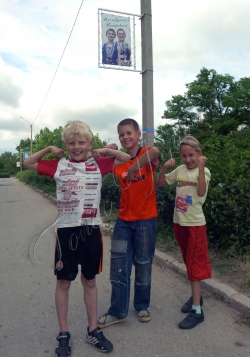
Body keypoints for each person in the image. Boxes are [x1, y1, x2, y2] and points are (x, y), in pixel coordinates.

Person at [24, 120, 131, 356]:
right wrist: (49, 149)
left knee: (90, 281)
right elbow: (28, 162)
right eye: (71, 142)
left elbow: (126, 159)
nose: (76, 146)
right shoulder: (58, 165)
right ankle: (63, 333)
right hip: (66, 232)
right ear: (66, 145)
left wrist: (105, 150)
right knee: (63, 282)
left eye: (81, 142)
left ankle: (93, 329)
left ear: (89, 144)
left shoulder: (99, 163)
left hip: (91, 231)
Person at [97, 118, 160, 328]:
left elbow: (154, 152)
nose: (125, 137)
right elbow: (95, 156)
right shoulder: (118, 160)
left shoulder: (146, 153)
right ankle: (118, 311)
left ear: (138, 134)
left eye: (129, 133)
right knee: (118, 267)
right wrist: (109, 150)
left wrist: (134, 168)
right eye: (121, 134)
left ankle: (142, 305)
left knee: (143, 264)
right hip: (123, 221)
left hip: (146, 221)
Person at [157, 136, 211, 329]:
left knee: (195, 267)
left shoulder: (203, 171)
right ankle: (197, 297)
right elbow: (160, 184)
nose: (187, 159)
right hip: (179, 223)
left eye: (191, 155)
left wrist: (202, 169)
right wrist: (165, 167)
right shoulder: (179, 170)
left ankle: (197, 310)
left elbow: (201, 193)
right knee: (190, 263)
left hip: (195, 224)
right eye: (184, 156)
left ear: (199, 154)